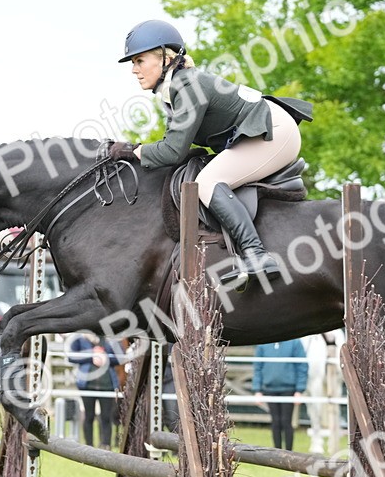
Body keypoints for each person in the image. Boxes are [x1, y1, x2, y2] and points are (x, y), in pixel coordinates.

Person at [110, 20, 313, 281]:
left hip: (274, 131)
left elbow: (172, 151)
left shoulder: (186, 85)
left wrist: (135, 151)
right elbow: (176, 146)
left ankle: (256, 255)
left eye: (139, 60)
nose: (134, 70)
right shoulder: (175, 89)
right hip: (260, 132)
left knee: (207, 182)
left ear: (164, 57)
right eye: (133, 63)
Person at [67, 333, 122, 449]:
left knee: (106, 417)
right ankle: (88, 445)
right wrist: (91, 356)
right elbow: (71, 356)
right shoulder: (80, 338)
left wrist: (105, 358)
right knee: (89, 415)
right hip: (87, 385)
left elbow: (120, 358)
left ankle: (106, 444)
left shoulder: (110, 338)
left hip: (107, 385)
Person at [253, 338, 308, 450]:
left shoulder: (294, 342)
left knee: (286, 421)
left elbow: (302, 366)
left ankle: (289, 452)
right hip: (270, 389)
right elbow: (257, 367)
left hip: (288, 389)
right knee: (275, 422)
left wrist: (299, 390)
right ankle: (276, 452)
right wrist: (257, 390)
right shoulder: (263, 344)